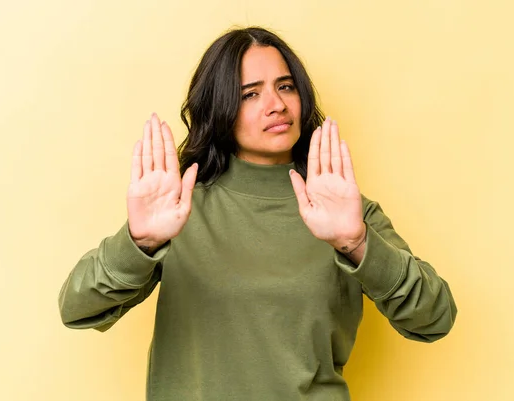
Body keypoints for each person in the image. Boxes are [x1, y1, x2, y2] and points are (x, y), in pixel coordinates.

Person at [58, 26, 457, 401]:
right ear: (220, 109)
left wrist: (356, 243)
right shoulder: (179, 208)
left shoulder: (347, 212)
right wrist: (140, 242)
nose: (277, 105)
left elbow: (435, 318)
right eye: (250, 93)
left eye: (286, 87)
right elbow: (77, 310)